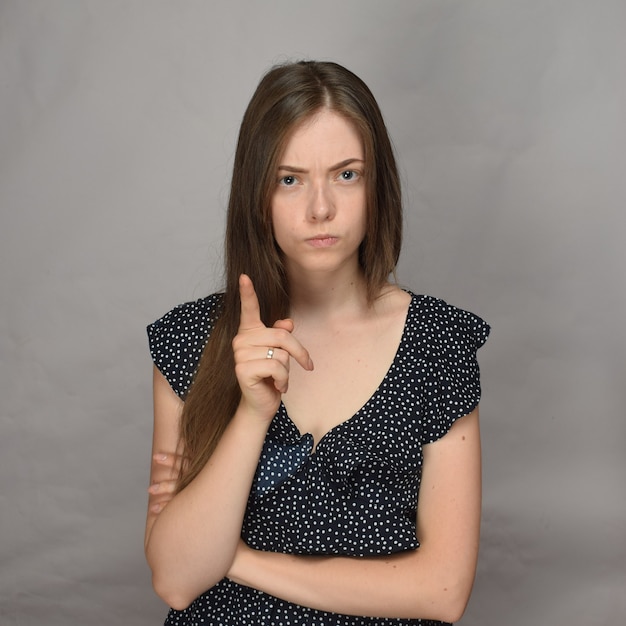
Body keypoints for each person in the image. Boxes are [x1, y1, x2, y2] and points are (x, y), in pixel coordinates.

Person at [145, 60, 489, 626]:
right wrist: (253, 414)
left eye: (346, 174)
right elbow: (177, 581)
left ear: (378, 186)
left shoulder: (438, 347)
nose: (320, 208)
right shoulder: (192, 342)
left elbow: (443, 591)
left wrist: (239, 561)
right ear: (256, 194)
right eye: (290, 179)